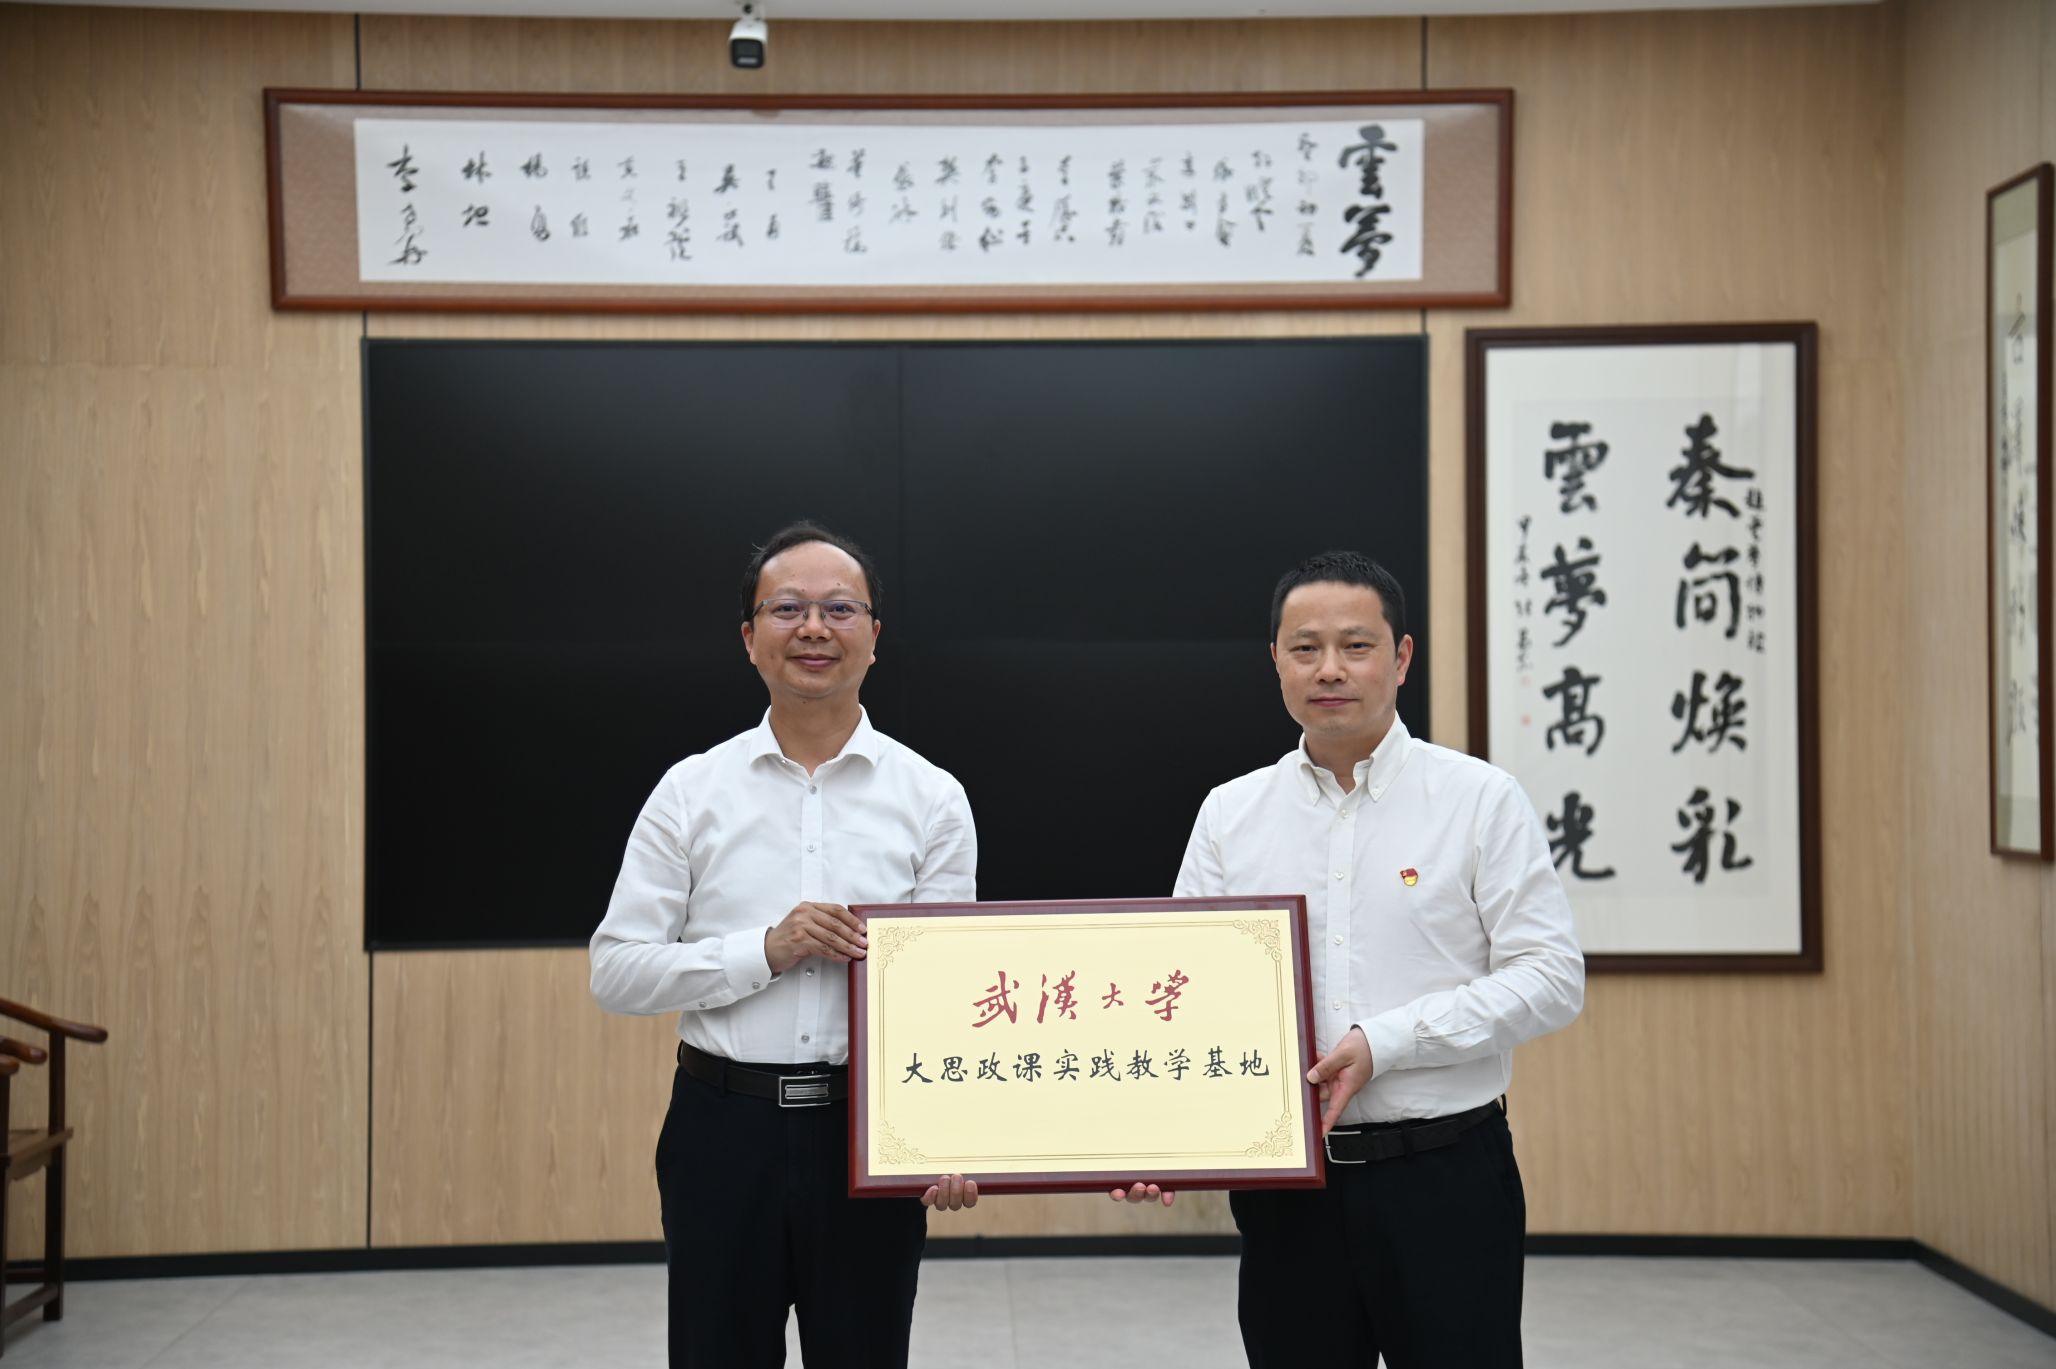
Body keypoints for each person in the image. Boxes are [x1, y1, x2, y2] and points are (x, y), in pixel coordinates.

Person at [1146, 549, 1584, 1367]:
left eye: (1356, 645)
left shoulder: (1480, 800)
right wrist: (1160, 1137)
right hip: (1290, 1192)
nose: (1329, 669)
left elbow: (1552, 978)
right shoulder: (1230, 813)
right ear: (1275, 660)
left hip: (1445, 1175)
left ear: (1402, 656)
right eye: (1305, 647)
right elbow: (1186, 993)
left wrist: (1386, 1042)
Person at [589, 520, 980, 1369]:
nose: (814, 628)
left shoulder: (932, 798)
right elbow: (616, 971)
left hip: (865, 1135)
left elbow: (948, 995)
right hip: (720, 1131)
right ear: (749, 636)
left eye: (840, 608)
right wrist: (763, 950)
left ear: (874, 634)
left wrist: (947, 1134)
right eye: (788, 608)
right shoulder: (690, 791)